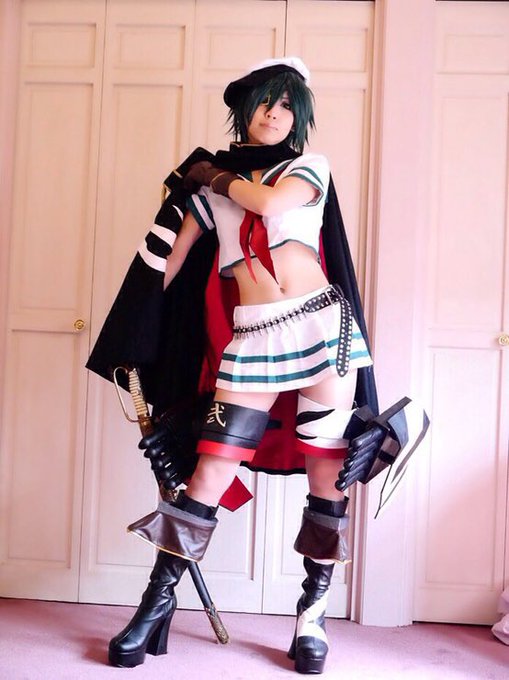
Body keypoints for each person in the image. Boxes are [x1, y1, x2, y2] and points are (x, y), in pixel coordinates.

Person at [98, 57, 376, 674]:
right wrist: (137, 327)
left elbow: (271, 206)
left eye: (288, 106)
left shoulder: (308, 167)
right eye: (265, 102)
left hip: (321, 330)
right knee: (209, 473)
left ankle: (312, 616)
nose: (275, 114)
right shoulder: (207, 192)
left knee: (326, 478)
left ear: (299, 118)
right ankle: (154, 606)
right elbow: (170, 265)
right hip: (253, 339)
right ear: (244, 109)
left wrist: (212, 175)